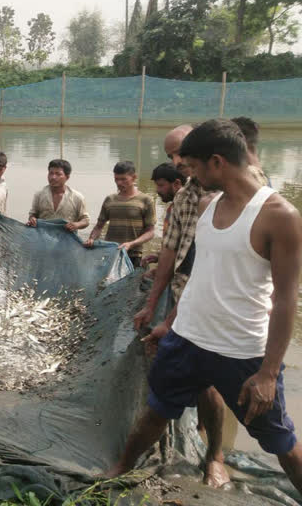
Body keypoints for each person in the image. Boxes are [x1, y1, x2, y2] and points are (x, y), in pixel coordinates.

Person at [106, 119, 302, 497]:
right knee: (156, 411)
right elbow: (199, 276)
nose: (187, 173)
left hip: (242, 350)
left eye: (192, 166)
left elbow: (285, 302)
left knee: (279, 440)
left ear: (216, 162)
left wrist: (268, 372)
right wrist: (169, 323)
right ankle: (118, 469)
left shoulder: (280, 216)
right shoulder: (207, 205)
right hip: (187, 339)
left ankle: (217, 457)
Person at [134, 126, 228, 486]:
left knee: (215, 382)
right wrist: (154, 304)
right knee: (180, 374)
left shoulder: (234, 191)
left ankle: (214, 454)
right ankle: (182, 434)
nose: (176, 163)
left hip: (219, 302)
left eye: (180, 155)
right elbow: (174, 255)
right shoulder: (187, 196)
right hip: (184, 297)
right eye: (173, 156)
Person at [84, 161, 155, 267]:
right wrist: (91, 239)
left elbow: (150, 232)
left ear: (134, 177)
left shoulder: (146, 200)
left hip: (133, 255)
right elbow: (99, 227)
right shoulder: (110, 200)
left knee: (132, 283)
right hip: (111, 253)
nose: (119, 183)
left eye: (123, 179)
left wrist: (131, 244)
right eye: (116, 179)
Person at [140, 163, 186, 268]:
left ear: (177, 183)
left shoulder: (185, 210)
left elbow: (184, 250)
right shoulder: (172, 208)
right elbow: (174, 245)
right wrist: (159, 256)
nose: (157, 190)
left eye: (161, 185)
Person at [26, 158, 90, 232]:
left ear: (67, 177)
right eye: (51, 173)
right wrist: (32, 219)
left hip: (67, 238)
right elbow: (33, 214)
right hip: (43, 237)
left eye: (58, 174)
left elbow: (86, 220)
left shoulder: (77, 197)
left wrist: (76, 225)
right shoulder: (39, 195)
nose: (53, 177)